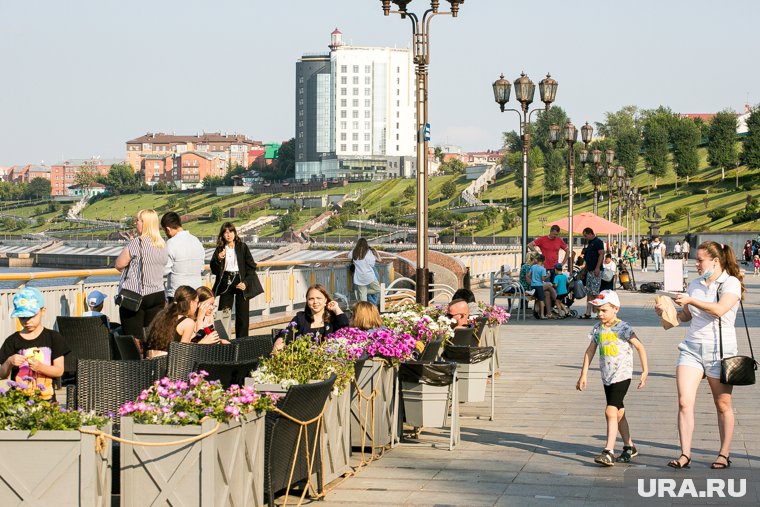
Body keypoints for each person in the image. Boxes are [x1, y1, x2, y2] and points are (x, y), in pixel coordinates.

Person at [654, 241, 745, 470]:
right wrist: (667, 311)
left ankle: (723, 454)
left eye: (700, 259)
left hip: (720, 351)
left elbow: (720, 310)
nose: (696, 263)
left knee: (722, 404)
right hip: (691, 349)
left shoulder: (731, 283)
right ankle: (685, 454)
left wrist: (692, 300)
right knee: (684, 402)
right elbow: (686, 315)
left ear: (715, 261)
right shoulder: (694, 284)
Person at [577, 290, 648, 466]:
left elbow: (639, 346)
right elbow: (590, 350)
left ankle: (608, 450)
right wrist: (583, 374)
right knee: (618, 412)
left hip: (622, 375)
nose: (600, 314)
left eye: (604, 310)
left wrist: (645, 371)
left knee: (610, 410)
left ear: (615, 308)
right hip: (607, 376)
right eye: (598, 310)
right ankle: (629, 446)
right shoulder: (597, 328)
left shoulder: (623, 327)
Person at [0, 288, 70, 401]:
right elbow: (2, 374)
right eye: (22, 318)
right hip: (19, 399)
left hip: (46, 400)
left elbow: (59, 371)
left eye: (31, 316)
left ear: (43, 311)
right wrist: (9, 361)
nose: (27, 321)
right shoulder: (12, 340)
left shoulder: (54, 338)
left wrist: (40, 367)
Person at [114, 209, 168, 340]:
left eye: (137, 220)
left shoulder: (136, 243)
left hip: (136, 296)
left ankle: (137, 360)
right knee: (152, 337)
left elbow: (119, 265)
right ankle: (152, 359)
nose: (135, 223)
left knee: (134, 338)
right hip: (158, 295)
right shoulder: (162, 244)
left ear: (145, 223)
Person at [210, 222, 263, 339]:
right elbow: (213, 269)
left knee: (242, 316)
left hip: (240, 281)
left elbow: (251, 267)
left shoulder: (242, 247)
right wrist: (218, 259)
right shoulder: (219, 249)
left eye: (231, 232)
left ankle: (242, 342)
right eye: (225, 232)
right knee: (223, 314)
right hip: (226, 283)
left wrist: (246, 283)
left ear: (234, 233)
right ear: (222, 235)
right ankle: (223, 342)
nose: (228, 235)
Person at [144, 286, 222, 358]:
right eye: (197, 302)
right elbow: (183, 352)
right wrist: (203, 343)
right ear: (191, 303)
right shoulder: (188, 322)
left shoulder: (162, 315)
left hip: (151, 362)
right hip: (167, 364)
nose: (197, 306)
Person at [274, 284, 349, 351]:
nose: (315, 302)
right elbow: (287, 334)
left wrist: (336, 308)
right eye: (311, 299)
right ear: (307, 301)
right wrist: (279, 342)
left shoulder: (333, 319)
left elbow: (345, 327)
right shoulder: (300, 318)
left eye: (319, 298)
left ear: (325, 300)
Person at [161, 211, 205, 302]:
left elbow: (164, 270)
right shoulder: (196, 241)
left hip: (178, 294)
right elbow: (201, 268)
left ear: (168, 229)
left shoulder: (171, 243)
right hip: (196, 292)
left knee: (177, 316)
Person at [579, 227, 605, 319]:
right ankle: (588, 312)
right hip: (590, 270)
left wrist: (597, 267)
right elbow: (588, 259)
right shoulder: (590, 243)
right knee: (589, 292)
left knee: (595, 292)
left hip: (595, 270)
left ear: (590, 234)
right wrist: (584, 271)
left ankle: (599, 312)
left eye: (586, 236)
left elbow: (601, 254)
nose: (585, 238)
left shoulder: (598, 242)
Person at [350, 238, 380, 302]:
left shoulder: (354, 252)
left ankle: (364, 309)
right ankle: (362, 293)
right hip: (369, 275)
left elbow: (349, 256)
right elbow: (372, 264)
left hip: (359, 277)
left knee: (363, 296)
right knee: (377, 289)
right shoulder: (368, 252)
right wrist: (376, 252)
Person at [529, 254, 551, 319]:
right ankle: (542, 315)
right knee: (541, 300)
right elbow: (543, 279)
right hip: (539, 285)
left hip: (533, 285)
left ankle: (538, 313)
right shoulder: (543, 269)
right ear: (543, 261)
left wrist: (533, 279)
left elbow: (528, 275)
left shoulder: (533, 267)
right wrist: (548, 275)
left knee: (537, 298)